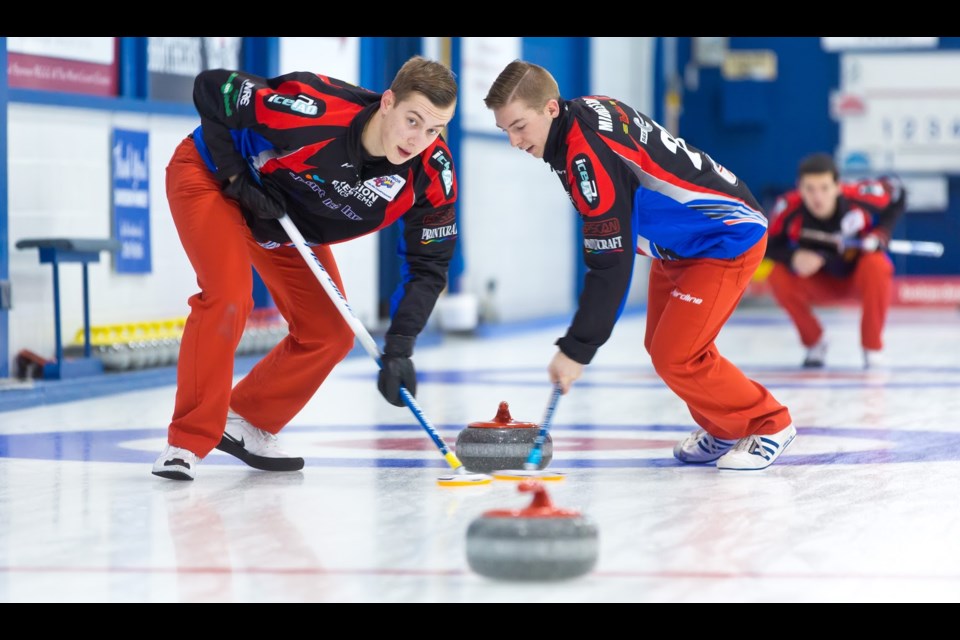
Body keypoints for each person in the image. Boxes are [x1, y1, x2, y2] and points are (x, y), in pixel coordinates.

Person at [153, 56, 460, 481]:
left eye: (434, 129)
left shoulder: (431, 175)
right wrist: (236, 176)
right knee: (229, 296)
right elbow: (214, 88)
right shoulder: (315, 110)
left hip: (281, 219)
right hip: (212, 177)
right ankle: (186, 441)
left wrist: (401, 344)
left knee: (331, 332)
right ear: (387, 102)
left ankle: (244, 420)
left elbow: (430, 265)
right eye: (412, 120)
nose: (418, 140)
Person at [483, 60, 795, 471]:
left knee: (677, 354)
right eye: (505, 130)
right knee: (664, 347)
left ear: (551, 109)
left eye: (519, 126)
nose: (514, 141)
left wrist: (577, 348)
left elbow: (610, 262)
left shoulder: (585, 154)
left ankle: (769, 422)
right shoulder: (582, 113)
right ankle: (725, 427)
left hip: (724, 238)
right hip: (679, 246)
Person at [765, 153, 906, 369]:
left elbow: (898, 193)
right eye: (809, 189)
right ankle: (815, 342)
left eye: (824, 188)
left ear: (838, 186)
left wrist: (881, 234)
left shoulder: (861, 196)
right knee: (777, 275)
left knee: (877, 264)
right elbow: (767, 245)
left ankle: (872, 348)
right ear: (799, 188)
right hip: (818, 282)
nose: (817, 197)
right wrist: (793, 257)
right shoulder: (787, 209)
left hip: (858, 278)